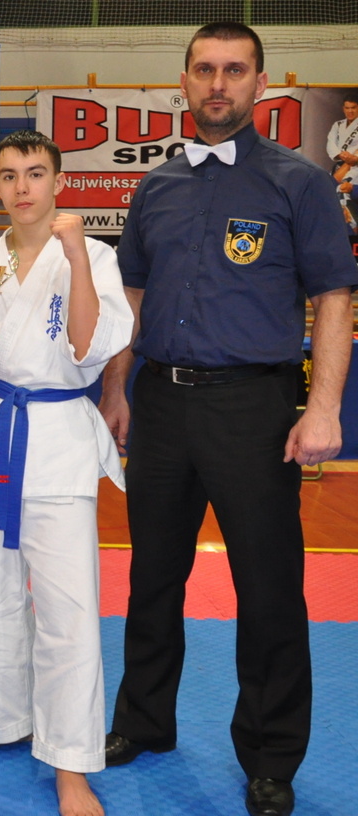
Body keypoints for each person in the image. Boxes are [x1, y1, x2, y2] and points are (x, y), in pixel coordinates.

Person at [97, 22, 357, 816]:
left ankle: (271, 756)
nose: (219, 83)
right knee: (152, 578)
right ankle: (144, 719)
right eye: (205, 69)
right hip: (164, 402)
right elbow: (131, 299)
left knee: (270, 589)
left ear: (259, 83)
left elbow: (335, 296)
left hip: (255, 406)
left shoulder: (298, 182)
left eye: (234, 70)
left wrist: (322, 409)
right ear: (184, 80)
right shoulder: (157, 186)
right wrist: (116, 391)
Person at [0, 130, 132, 816]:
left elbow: (88, 346)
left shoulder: (95, 255)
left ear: (58, 181)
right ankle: (6, 717)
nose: (22, 187)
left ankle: (72, 762)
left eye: (35, 173)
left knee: (68, 613)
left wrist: (73, 253)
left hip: (55, 443)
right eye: (9, 175)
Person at [324, 92, 358, 172]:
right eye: (347, 108)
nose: (350, 111)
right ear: (343, 109)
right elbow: (331, 143)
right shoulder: (338, 124)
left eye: (353, 108)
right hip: (340, 163)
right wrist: (340, 155)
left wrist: (354, 157)